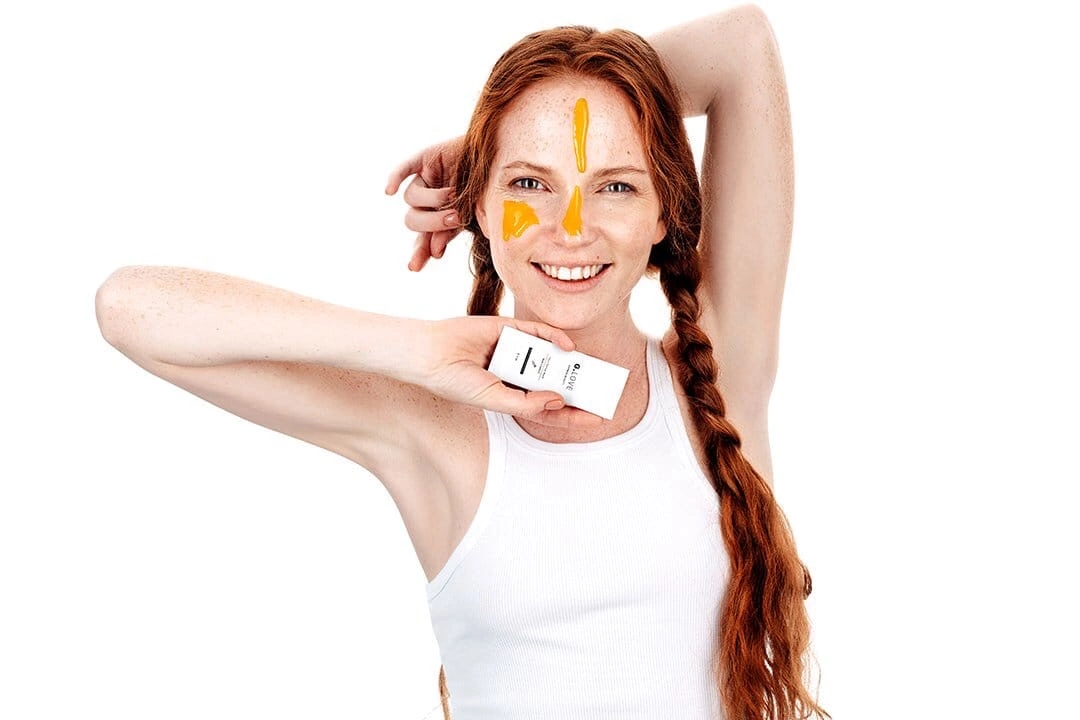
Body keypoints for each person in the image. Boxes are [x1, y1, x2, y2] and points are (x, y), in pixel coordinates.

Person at [95, 5, 825, 719]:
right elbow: (131, 308)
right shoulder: (434, 431)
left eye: (615, 185)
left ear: (665, 213)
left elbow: (741, 44)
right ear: (476, 205)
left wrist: (510, 129)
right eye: (529, 184)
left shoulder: (721, 381)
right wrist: (415, 347)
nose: (571, 229)